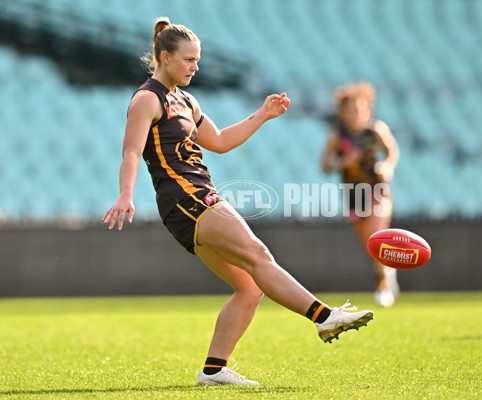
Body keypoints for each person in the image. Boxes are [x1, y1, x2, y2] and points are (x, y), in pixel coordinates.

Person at [102, 17, 373, 386]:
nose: (195, 67)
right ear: (165, 58)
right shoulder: (147, 99)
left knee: (250, 286)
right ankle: (324, 317)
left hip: (191, 201)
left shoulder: (185, 100)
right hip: (188, 198)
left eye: (197, 60)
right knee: (259, 254)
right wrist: (125, 193)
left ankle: (213, 370)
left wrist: (261, 115)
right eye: (187, 60)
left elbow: (220, 141)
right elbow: (131, 152)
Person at [321, 82, 400, 307]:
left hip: (377, 190)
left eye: (361, 108)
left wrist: (387, 166)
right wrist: (341, 163)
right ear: (342, 112)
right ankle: (386, 271)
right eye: (352, 109)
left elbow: (391, 151)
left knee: (377, 236)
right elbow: (325, 165)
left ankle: (382, 285)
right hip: (354, 195)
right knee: (370, 245)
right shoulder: (337, 136)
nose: (357, 113)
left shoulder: (376, 130)